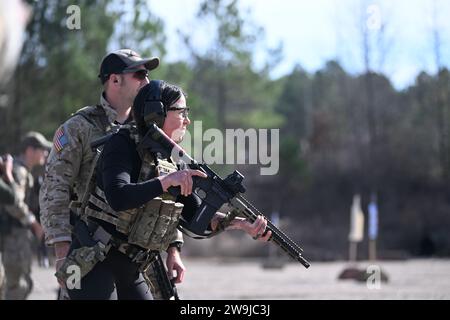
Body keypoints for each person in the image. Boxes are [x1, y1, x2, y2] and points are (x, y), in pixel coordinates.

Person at [60, 80, 271, 300]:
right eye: (182, 112)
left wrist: (241, 224)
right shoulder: (122, 143)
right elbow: (118, 197)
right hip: (93, 258)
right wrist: (168, 180)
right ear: (156, 114)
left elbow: (195, 218)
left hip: (132, 265)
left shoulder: (173, 161)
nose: (187, 120)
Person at [38, 49, 175, 299]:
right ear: (114, 80)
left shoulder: (146, 131)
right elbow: (54, 189)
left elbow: (164, 193)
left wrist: (174, 248)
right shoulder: (80, 127)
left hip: (134, 255)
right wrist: (62, 252)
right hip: (90, 251)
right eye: (140, 74)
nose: (147, 81)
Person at [0, 132, 49, 299]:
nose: (45, 154)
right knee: (17, 286)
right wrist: (34, 223)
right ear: (29, 150)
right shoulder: (19, 171)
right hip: (13, 236)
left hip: (14, 235)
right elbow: (14, 204)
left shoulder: (22, 171)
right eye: (42, 149)